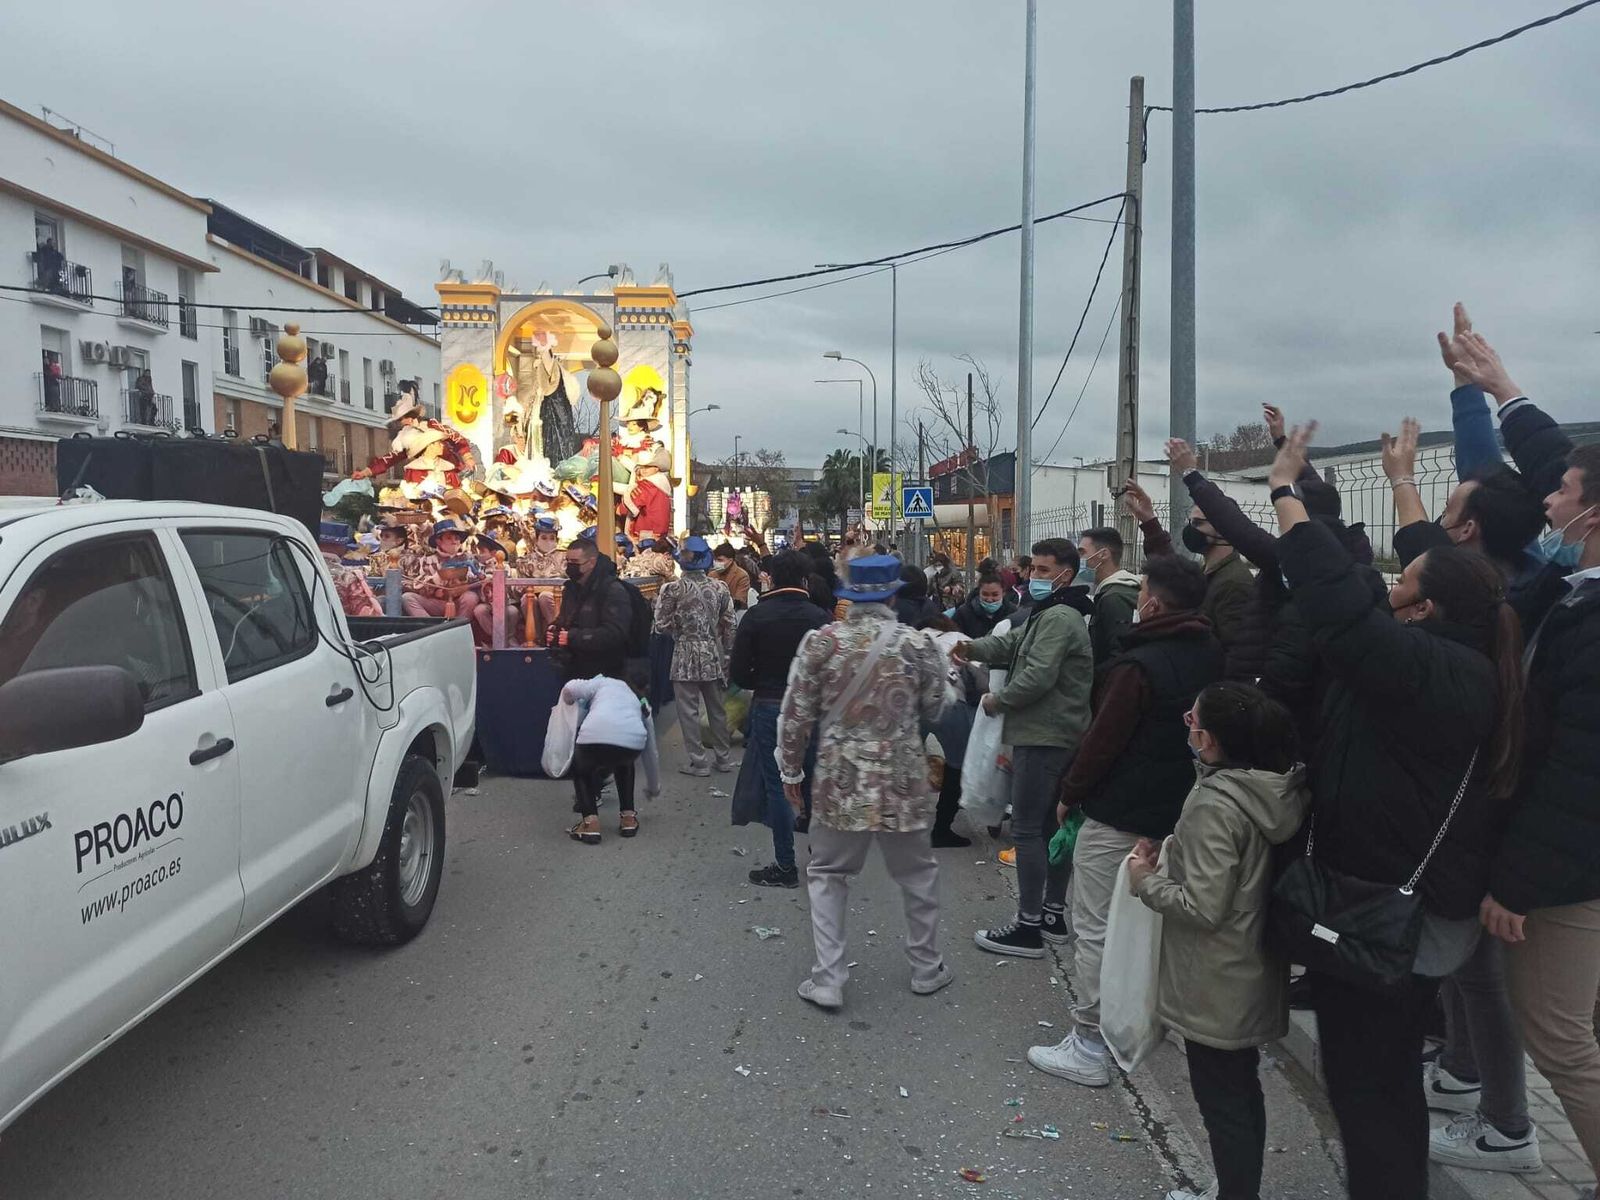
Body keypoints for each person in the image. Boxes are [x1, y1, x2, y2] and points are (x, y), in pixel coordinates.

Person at [1265, 423, 1525, 1200]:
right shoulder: (1456, 652)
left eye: (1401, 582)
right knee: (1376, 1085)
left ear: (1427, 608)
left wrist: (1284, 493)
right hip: (1392, 903)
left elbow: (1339, 608)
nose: (1386, 588)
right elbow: (1430, 566)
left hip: (1388, 917)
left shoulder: (1436, 670)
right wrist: (1404, 481)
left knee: (1369, 1088)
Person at [1452, 340, 1600, 1182]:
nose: (1548, 498)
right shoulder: (1579, 589)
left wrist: (1516, 883)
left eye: (1564, 494)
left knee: (1559, 1035)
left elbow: (1582, 777)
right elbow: (1557, 461)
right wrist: (1500, 388)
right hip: (1568, 860)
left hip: (1569, 873)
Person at [1028, 554, 1222, 1087]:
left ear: (1152, 603)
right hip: (1178, 812)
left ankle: (1089, 1042)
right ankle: (1153, 1023)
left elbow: (1102, 740)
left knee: (1095, 927)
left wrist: (1070, 793)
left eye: (1141, 593)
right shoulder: (1211, 652)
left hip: (1119, 813)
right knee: (1155, 925)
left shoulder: (1137, 666)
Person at [1128, 682, 1309, 1200]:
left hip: (1214, 977)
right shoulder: (1274, 789)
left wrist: (1144, 880)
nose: (1187, 724)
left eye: (1192, 719)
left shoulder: (1215, 803)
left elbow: (1202, 906)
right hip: (1250, 964)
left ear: (1208, 740)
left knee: (1222, 1101)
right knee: (1241, 1091)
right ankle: (1236, 1187)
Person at [777, 554, 952, 1009]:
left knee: (828, 874)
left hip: (841, 780)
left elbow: (795, 714)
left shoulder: (822, 644)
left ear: (850, 598)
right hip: (902, 778)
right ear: (893, 596)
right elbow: (936, 707)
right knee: (917, 874)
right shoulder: (918, 644)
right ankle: (926, 968)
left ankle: (829, 979)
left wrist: (791, 770)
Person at [955, 538, 1095, 957]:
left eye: (1043, 570)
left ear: (1066, 575)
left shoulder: (1060, 618)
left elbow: (1038, 676)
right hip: (1055, 734)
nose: (1034, 576)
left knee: (1029, 829)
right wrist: (969, 648)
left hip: (1044, 736)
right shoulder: (1050, 612)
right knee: (1051, 828)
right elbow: (1011, 644)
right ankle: (1051, 915)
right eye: (1032, 568)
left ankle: (1028, 925)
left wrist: (998, 701)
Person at [730, 550, 831, 886]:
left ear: (770, 578)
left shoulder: (756, 616)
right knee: (815, 781)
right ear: (805, 580)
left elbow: (739, 672)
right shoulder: (820, 617)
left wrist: (761, 680)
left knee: (777, 786)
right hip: (813, 710)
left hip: (770, 704)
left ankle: (785, 866)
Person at [1124, 477, 1253, 654]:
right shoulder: (1207, 571)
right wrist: (1149, 520)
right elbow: (1171, 574)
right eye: (1190, 522)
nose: (1191, 529)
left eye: (1198, 523)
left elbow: (1237, 652)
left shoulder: (1235, 583)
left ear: (1224, 527)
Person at [654, 536, 736, 776]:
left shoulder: (671, 589)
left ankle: (699, 762)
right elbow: (730, 624)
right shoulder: (720, 588)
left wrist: (678, 628)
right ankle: (723, 758)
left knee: (688, 711)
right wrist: (728, 653)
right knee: (717, 709)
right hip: (712, 653)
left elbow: (660, 625)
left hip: (684, 653)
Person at [559, 674, 660, 844]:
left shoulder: (600, 683)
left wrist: (568, 702)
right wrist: (654, 787)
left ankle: (590, 824)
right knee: (624, 761)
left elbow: (570, 687)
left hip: (594, 735)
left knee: (582, 769)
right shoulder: (640, 702)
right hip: (631, 742)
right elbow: (651, 751)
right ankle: (628, 818)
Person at [547, 535, 633, 681]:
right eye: (568, 561)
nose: (570, 566)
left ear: (591, 562)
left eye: (575, 562)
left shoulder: (612, 590)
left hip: (606, 672)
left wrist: (573, 637)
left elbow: (615, 633)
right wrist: (554, 629)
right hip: (573, 668)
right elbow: (565, 619)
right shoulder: (571, 588)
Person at [1076, 526, 1142, 666]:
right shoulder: (1110, 592)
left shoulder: (1115, 598)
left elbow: (1119, 653)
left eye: (1082, 553)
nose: (1079, 559)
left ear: (1103, 554)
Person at [400, 519, 483, 628]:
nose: (454, 541)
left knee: (470, 597)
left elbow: (482, 578)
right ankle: (431, 630)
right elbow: (418, 586)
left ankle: (458, 630)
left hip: (460, 603)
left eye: (457, 538)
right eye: (449, 538)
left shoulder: (469, 559)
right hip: (437, 603)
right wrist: (437, 580)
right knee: (407, 597)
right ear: (439, 541)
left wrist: (465, 587)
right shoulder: (427, 560)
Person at [948, 572, 1016, 639]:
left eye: (995, 595)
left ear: (1003, 593)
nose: (989, 599)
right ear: (979, 592)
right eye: (985, 594)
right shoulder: (963, 613)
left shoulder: (1013, 613)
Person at [712, 541, 752, 609]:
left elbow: (740, 600)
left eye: (720, 560)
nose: (716, 563)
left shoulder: (742, 576)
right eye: (715, 560)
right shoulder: (712, 574)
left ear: (730, 561)